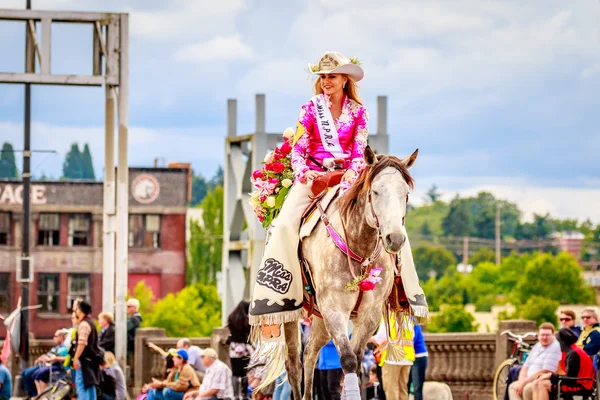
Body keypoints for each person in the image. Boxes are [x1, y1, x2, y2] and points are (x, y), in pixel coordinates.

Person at [248, 51, 369, 391]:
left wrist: (348, 178)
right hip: (312, 178)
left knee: (383, 216)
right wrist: (308, 175)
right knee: (285, 225)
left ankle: (401, 288)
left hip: (348, 177)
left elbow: (360, 151)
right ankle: (280, 289)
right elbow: (299, 150)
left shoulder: (359, 112)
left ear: (346, 79)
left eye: (333, 76)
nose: (327, 80)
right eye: (324, 76)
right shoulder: (309, 109)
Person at [531, 328, 595, 400]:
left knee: (543, 385)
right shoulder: (569, 350)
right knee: (536, 383)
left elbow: (571, 379)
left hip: (582, 384)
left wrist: (551, 376)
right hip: (574, 381)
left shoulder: (573, 354)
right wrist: (548, 376)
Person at [508, 323, 562, 400]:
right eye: (542, 335)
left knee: (527, 389)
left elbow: (546, 371)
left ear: (553, 335)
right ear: (538, 335)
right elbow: (525, 367)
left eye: (547, 335)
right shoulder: (537, 346)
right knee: (513, 387)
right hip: (529, 380)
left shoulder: (555, 347)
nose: (544, 337)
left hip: (542, 380)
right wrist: (521, 382)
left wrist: (524, 383)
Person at [372, 316, 415, 400]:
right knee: (403, 388)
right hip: (407, 358)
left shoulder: (389, 318)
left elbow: (380, 338)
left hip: (392, 359)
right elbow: (412, 336)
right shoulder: (407, 319)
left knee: (391, 388)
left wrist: (365, 339)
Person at [22, 329, 68, 397]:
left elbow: (66, 357)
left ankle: (41, 395)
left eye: (55, 336)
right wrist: (42, 358)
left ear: (61, 337)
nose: (53, 338)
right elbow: (49, 354)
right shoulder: (56, 347)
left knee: (39, 373)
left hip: (58, 366)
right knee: (28, 373)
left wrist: (54, 358)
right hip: (46, 364)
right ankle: (37, 394)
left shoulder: (65, 346)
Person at [73, 300, 104, 400]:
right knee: (90, 386)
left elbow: (82, 343)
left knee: (82, 386)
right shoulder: (92, 323)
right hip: (92, 360)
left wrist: (76, 358)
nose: (75, 311)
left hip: (84, 361)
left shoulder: (84, 324)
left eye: (77, 309)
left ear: (81, 310)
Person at [226, 300, 253, 400]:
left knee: (235, 373)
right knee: (244, 373)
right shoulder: (247, 319)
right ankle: (244, 395)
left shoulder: (231, 318)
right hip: (245, 348)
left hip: (233, 348)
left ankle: (235, 395)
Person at [409, 323, 428, 400]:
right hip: (409, 358)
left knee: (417, 389)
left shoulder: (413, 322)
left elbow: (413, 338)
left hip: (418, 357)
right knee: (406, 387)